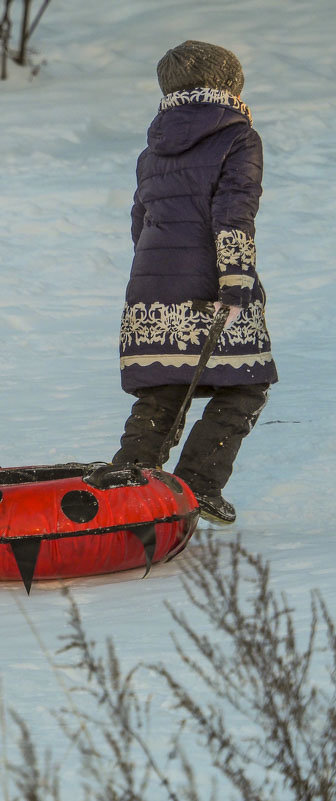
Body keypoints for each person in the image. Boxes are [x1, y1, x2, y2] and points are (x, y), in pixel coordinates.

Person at [111, 41, 276, 525]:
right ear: (230, 84)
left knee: (165, 383)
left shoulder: (153, 147)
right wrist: (238, 280)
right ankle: (198, 484)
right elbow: (233, 216)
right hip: (212, 283)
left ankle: (130, 480)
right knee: (247, 382)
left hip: (151, 287)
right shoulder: (238, 138)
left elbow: (141, 222)